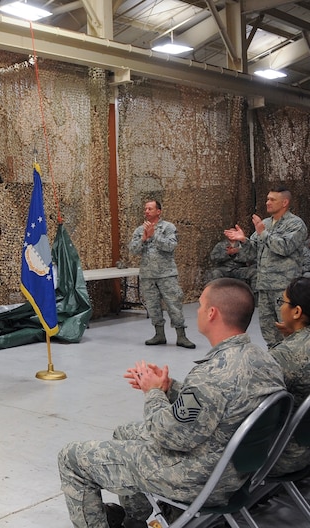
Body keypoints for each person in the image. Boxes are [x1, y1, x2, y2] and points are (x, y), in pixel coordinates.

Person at [57, 278, 285, 528]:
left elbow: (168, 435)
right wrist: (169, 387)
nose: (196, 312)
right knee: (124, 432)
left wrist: (153, 392)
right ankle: (136, 520)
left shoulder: (212, 374)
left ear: (212, 313)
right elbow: (216, 405)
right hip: (233, 472)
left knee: (71, 458)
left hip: (197, 476)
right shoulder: (263, 360)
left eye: (200, 305)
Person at [225, 186, 307, 348]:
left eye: (272, 200)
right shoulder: (266, 224)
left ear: (285, 202)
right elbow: (253, 251)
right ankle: (275, 363)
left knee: (290, 332)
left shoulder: (296, 225)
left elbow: (285, 248)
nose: (267, 202)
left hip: (284, 289)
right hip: (264, 287)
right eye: (267, 199)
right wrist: (243, 241)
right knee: (269, 331)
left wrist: (263, 233)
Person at [128, 199, 195, 348]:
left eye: (150, 209)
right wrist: (144, 239)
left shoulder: (168, 227)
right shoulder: (140, 230)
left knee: (174, 305)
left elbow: (171, 246)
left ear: (158, 211)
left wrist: (154, 236)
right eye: (145, 209)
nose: (146, 211)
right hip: (148, 275)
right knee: (153, 306)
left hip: (166, 274)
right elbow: (133, 250)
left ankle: (181, 336)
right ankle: (159, 335)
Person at [268, 276, 310, 476]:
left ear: (297, 311)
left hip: (287, 454)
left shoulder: (285, 355)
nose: (281, 307)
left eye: (283, 302)